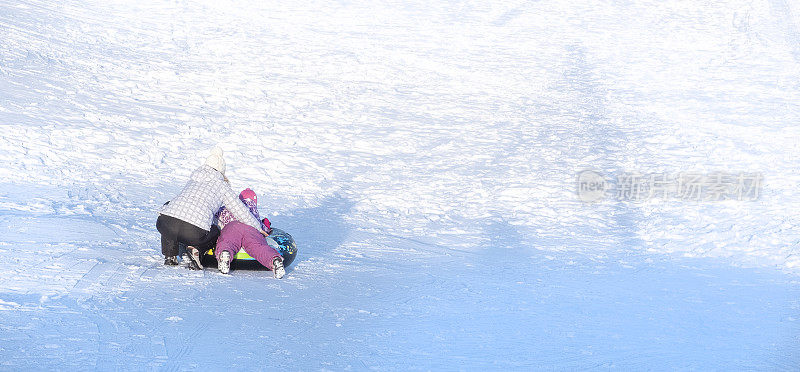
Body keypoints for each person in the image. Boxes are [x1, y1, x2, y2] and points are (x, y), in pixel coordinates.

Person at [156, 147, 268, 269]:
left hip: (163, 223)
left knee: (172, 217)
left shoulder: (193, 179)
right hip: (192, 231)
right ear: (221, 172)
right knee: (215, 231)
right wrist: (257, 227)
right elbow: (239, 210)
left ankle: (170, 256)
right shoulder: (222, 186)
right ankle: (195, 251)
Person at [214, 188, 285, 279]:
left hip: (232, 227)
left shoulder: (229, 207)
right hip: (251, 230)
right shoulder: (254, 211)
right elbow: (263, 229)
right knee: (257, 246)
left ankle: (225, 254)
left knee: (228, 241)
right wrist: (266, 223)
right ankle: (273, 259)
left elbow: (215, 216)